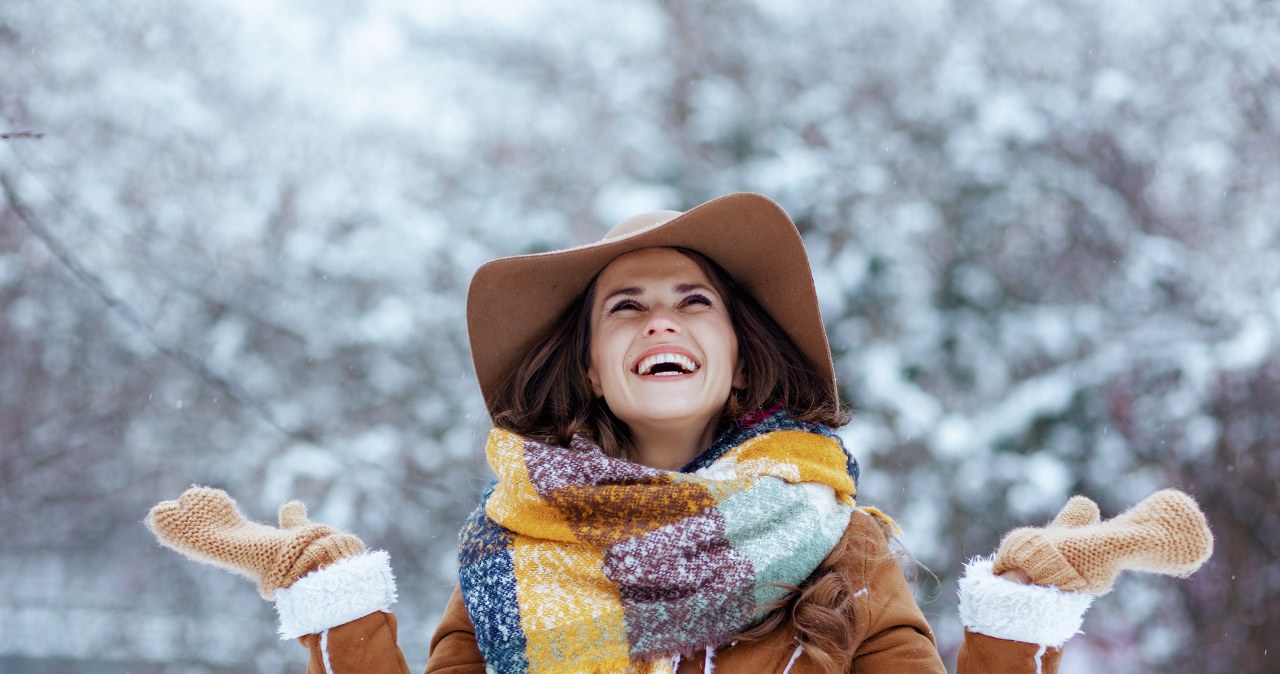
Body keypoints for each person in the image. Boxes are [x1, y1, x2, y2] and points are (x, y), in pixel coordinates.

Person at [147, 193, 1214, 674]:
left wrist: (1022, 609)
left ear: (739, 352)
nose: (660, 317)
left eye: (691, 300)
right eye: (624, 305)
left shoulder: (841, 549)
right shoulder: (509, 553)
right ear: (590, 363)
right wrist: (334, 603)